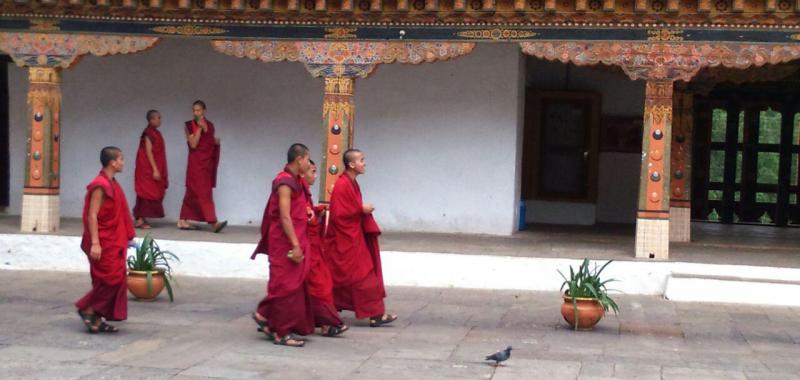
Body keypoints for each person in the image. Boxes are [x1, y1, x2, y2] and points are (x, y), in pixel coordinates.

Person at [324, 149, 397, 327]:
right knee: (365, 277)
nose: (364, 163)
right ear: (351, 164)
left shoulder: (351, 182)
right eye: (361, 160)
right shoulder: (342, 185)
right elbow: (338, 215)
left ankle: (332, 310)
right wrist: (360, 209)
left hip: (352, 237)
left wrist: (359, 209)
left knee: (352, 278)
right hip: (345, 239)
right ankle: (375, 314)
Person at [251, 143, 315, 347]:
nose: (308, 163)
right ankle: (281, 332)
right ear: (299, 159)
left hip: (295, 237)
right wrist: (295, 245)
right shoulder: (285, 182)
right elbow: (285, 217)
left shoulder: (294, 180)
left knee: (292, 284)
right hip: (285, 241)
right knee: (285, 286)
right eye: (307, 159)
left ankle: (265, 316)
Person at [75, 147, 135, 334]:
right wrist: (95, 242)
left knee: (111, 280)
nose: (123, 163)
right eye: (121, 159)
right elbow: (92, 215)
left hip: (113, 240)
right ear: (112, 162)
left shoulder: (112, 183)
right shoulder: (100, 185)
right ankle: (88, 308)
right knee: (112, 280)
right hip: (102, 241)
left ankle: (97, 319)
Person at [303, 160, 349, 337]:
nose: (315, 176)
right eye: (313, 171)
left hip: (314, 248)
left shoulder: (303, 192)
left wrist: (316, 211)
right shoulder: (292, 190)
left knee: (320, 284)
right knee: (319, 286)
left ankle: (323, 323)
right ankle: (326, 323)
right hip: (306, 248)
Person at [177, 100, 227, 233]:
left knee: (192, 192)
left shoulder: (210, 125)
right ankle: (213, 222)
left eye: (198, 110)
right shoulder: (189, 125)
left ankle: (182, 220)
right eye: (194, 110)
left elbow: (208, 143)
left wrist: (215, 142)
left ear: (204, 111)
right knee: (202, 192)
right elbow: (193, 144)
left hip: (206, 164)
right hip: (195, 163)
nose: (196, 113)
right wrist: (199, 128)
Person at [133, 110, 168, 229]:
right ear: (151, 120)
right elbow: (148, 152)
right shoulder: (148, 133)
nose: (160, 120)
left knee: (150, 192)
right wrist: (155, 169)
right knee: (146, 192)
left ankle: (140, 218)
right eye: (158, 118)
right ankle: (140, 219)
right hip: (146, 168)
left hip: (154, 167)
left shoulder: (156, 133)